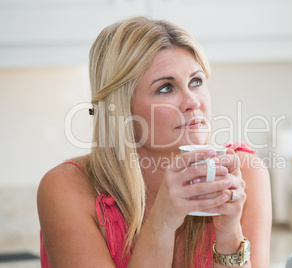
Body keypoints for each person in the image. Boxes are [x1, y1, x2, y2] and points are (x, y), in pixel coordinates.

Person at [37, 16, 272, 268]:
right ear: (122, 110)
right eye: (165, 88)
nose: (193, 101)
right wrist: (162, 221)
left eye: (196, 81)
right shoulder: (67, 189)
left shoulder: (243, 172)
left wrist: (229, 232)